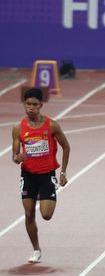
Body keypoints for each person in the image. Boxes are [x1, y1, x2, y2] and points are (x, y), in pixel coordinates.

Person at [11, 87, 70, 263]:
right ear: (24, 104)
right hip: (28, 175)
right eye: (28, 104)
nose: (31, 108)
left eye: (34, 104)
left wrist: (63, 172)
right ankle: (36, 249)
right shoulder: (17, 128)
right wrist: (17, 158)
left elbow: (66, 147)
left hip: (47, 175)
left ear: (41, 105)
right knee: (29, 213)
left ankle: (41, 195)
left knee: (46, 215)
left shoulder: (51, 125)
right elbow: (15, 156)